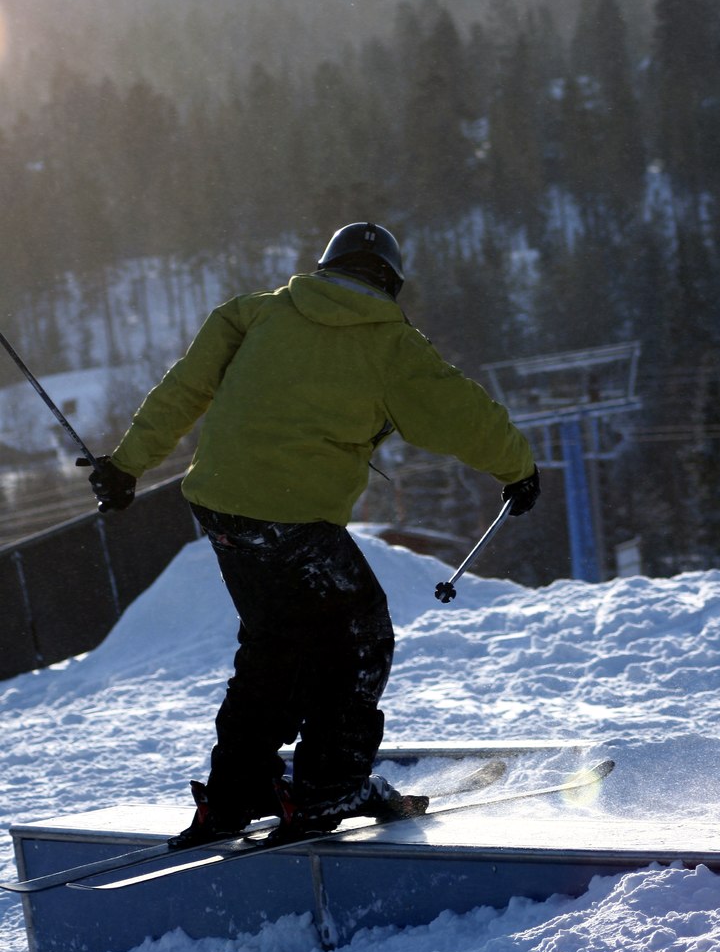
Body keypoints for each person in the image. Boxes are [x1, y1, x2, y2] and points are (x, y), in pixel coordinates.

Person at [80, 222, 540, 848]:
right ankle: (329, 789)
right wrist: (518, 469)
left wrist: (126, 466)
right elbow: (465, 416)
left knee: (275, 646)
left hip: (222, 510)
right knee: (361, 639)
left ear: (326, 267)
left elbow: (183, 389)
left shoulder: (256, 313)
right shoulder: (392, 346)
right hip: (294, 521)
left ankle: (236, 795)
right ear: (391, 284)